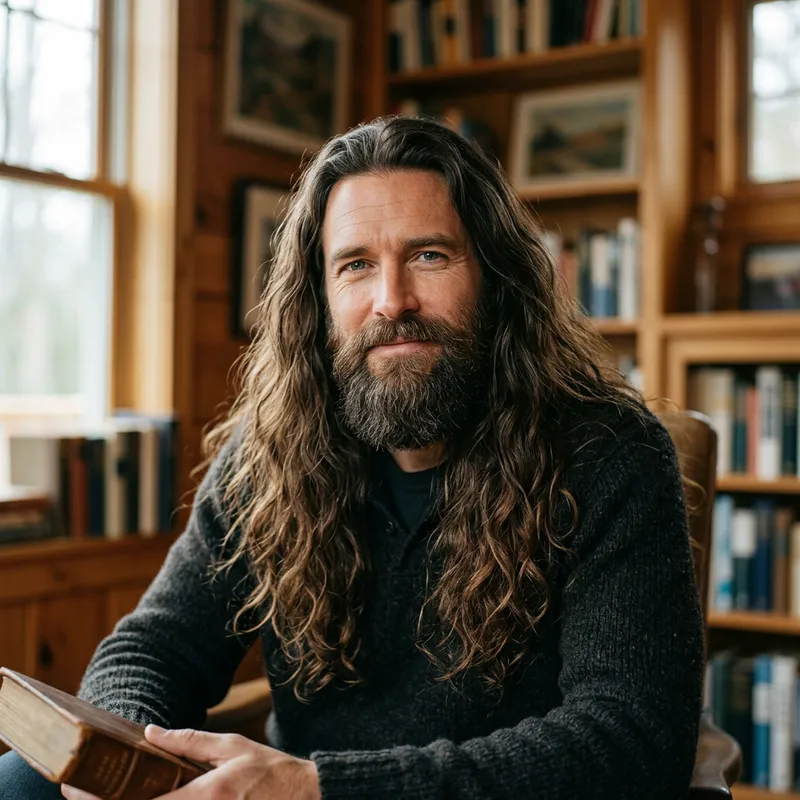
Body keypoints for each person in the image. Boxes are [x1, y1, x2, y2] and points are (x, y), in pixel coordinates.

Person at [0, 116, 704, 800]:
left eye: (429, 255)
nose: (391, 300)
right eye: (356, 266)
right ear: (320, 298)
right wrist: (121, 763)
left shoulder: (610, 455)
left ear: (495, 277)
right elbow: (152, 649)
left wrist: (320, 787)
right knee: (26, 782)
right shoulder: (269, 454)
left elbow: (632, 740)